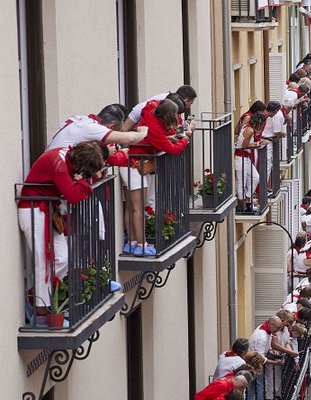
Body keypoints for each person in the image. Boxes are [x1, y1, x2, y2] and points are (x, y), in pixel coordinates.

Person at [17, 141, 107, 316]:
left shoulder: (66, 156)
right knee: (43, 260)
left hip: (47, 211)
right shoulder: (59, 165)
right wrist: (84, 184)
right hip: (34, 211)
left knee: (62, 258)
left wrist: (80, 183)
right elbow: (73, 196)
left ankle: (35, 294)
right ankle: (40, 309)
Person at [122, 98, 191, 256]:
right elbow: (172, 149)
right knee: (138, 208)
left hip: (130, 165)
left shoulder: (150, 116)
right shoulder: (155, 127)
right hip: (134, 167)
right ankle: (141, 245)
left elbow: (154, 140)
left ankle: (132, 242)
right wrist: (185, 139)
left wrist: (167, 138)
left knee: (131, 207)